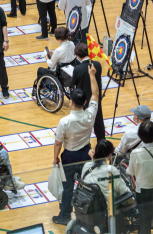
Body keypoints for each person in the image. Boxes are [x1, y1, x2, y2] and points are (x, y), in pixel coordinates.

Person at [52, 62, 100, 225]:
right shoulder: (90, 114)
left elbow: (58, 143)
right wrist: (92, 76)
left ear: (71, 102)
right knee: (86, 185)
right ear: (84, 102)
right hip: (87, 154)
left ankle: (65, 216)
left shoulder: (64, 121)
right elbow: (96, 95)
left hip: (69, 157)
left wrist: (55, 158)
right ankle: (85, 214)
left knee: (67, 188)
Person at [72, 139, 130, 231]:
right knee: (131, 197)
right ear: (109, 154)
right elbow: (124, 191)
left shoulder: (87, 166)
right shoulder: (111, 170)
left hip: (88, 205)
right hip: (105, 209)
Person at [73, 43, 105, 141]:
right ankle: (102, 142)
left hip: (83, 100)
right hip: (96, 98)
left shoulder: (77, 69)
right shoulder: (98, 65)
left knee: (82, 123)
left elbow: (73, 83)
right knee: (98, 121)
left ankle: (84, 143)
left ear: (77, 55)